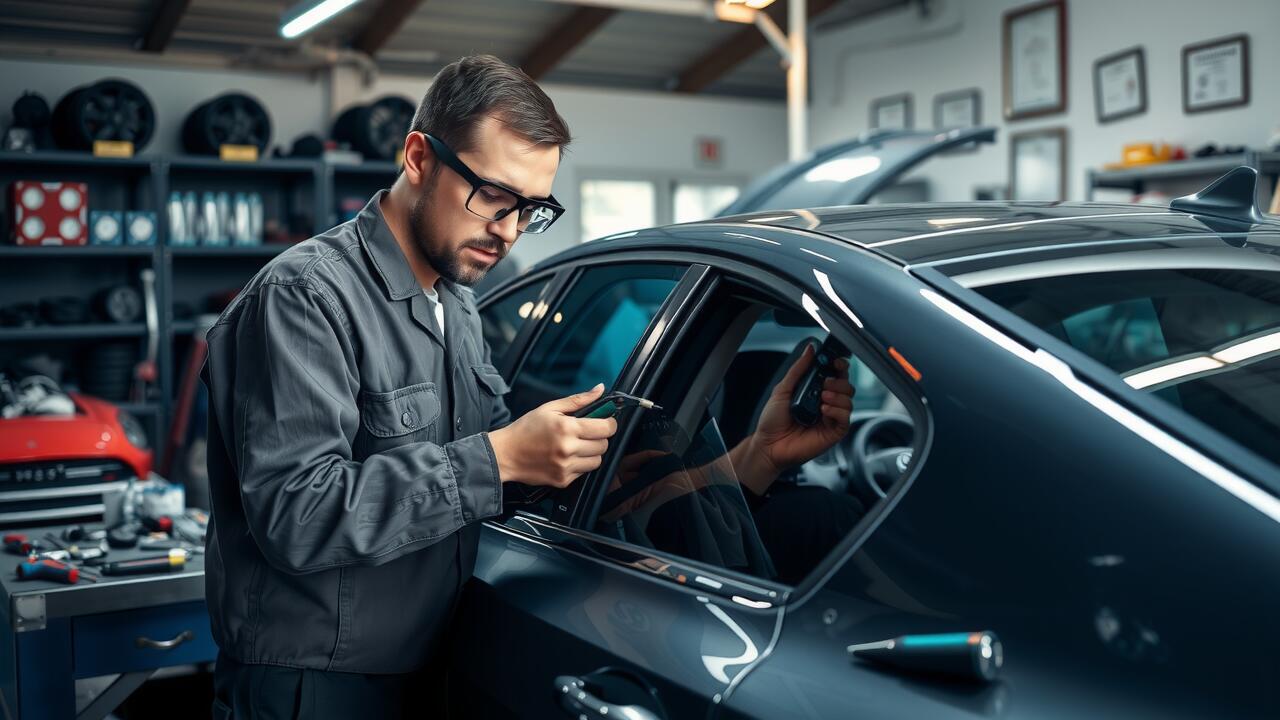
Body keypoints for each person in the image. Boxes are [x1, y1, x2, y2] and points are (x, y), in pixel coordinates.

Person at [201, 55, 615, 718]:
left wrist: (730, 468)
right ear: (419, 156)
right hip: (313, 685)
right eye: (493, 197)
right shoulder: (305, 298)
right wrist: (501, 455)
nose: (508, 230)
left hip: (424, 668)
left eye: (531, 209)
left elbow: (483, 487)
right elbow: (297, 516)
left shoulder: (458, 304)